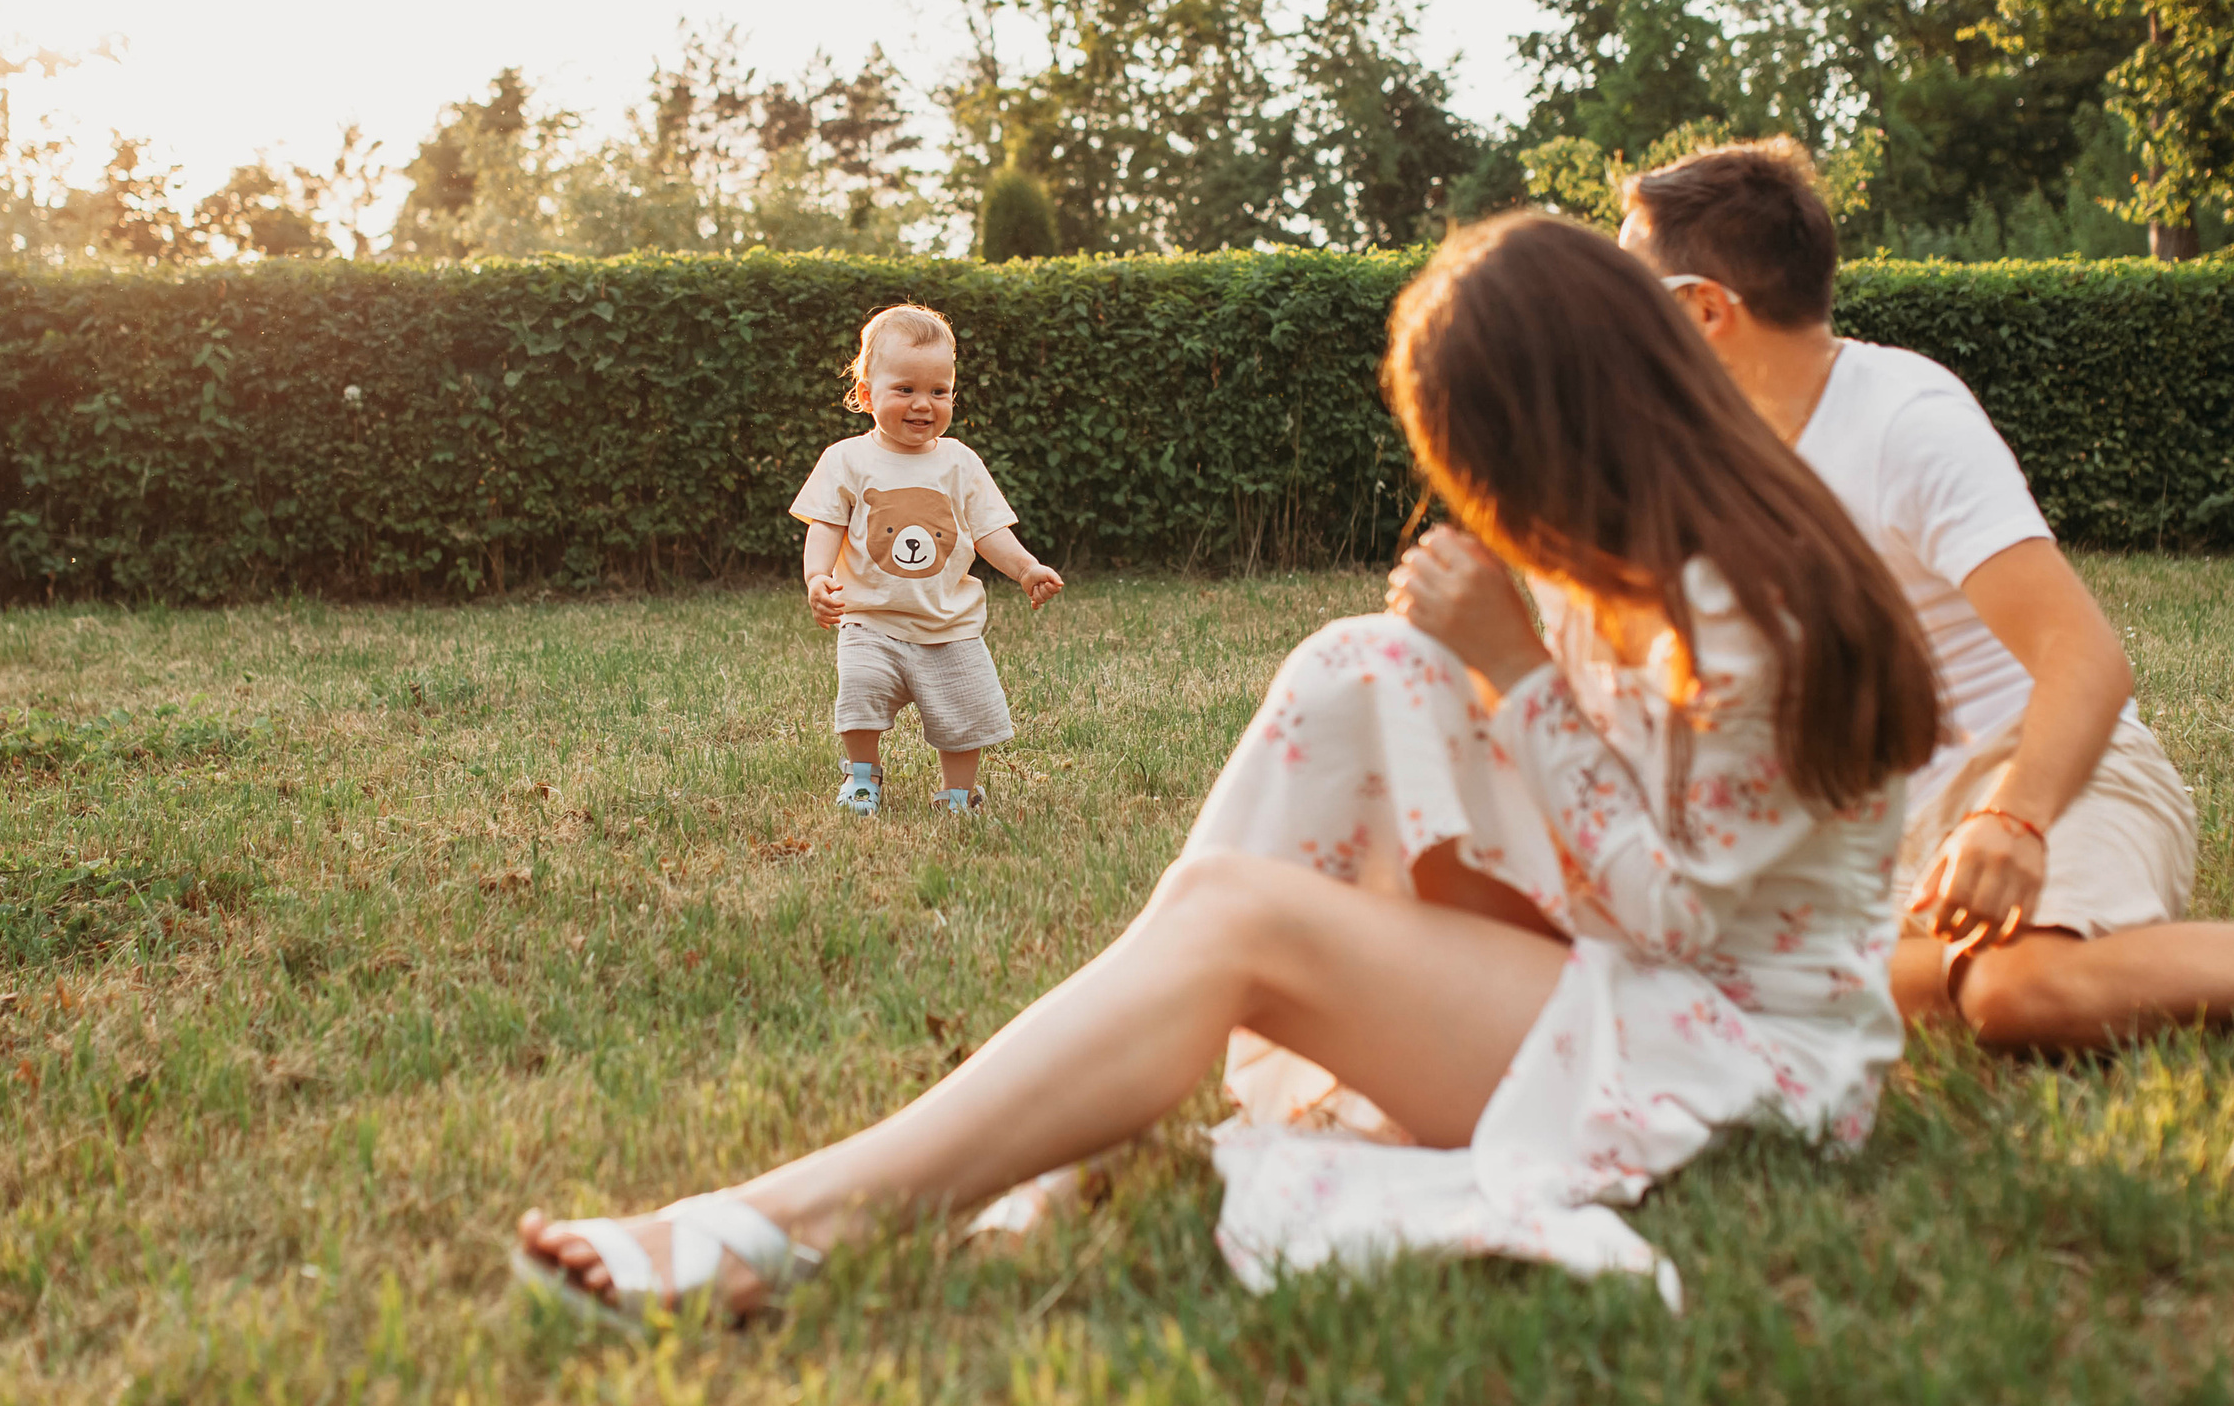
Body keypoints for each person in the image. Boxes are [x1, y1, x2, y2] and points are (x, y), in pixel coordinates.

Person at [511, 216, 1940, 1324]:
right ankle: (1069, 1107)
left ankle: (793, 1223)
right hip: (1628, 976)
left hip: (1727, 1050)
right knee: (1352, 663)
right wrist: (1486, 669)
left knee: (1244, 919)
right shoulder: (1647, 547)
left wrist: (1516, 672)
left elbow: (1677, 917)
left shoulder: (1765, 613)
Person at [1618, 138, 2234, 1050]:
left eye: (1628, 300)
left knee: (2021, 995)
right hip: (1875, 847)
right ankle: (1948, 958)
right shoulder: (1696, 462)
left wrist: (2013, 817)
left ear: (1702, 310)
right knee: (1663, 972)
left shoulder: (1904, 419)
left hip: (2050, 774)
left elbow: (2084, 658)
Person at [789, 303, 1063, 818]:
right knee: (860, 698)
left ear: (953, 395)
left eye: (938, 391)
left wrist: (1026, 568)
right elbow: (825, 524)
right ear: (867, 394)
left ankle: (958, 793)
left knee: (963, 714)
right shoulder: (847, 459)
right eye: (905, 390)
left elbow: (988, 530)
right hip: (870, 618)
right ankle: (863, 778)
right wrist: (817, 577)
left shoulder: (959, 461)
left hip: (948, 624)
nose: (923, 404)